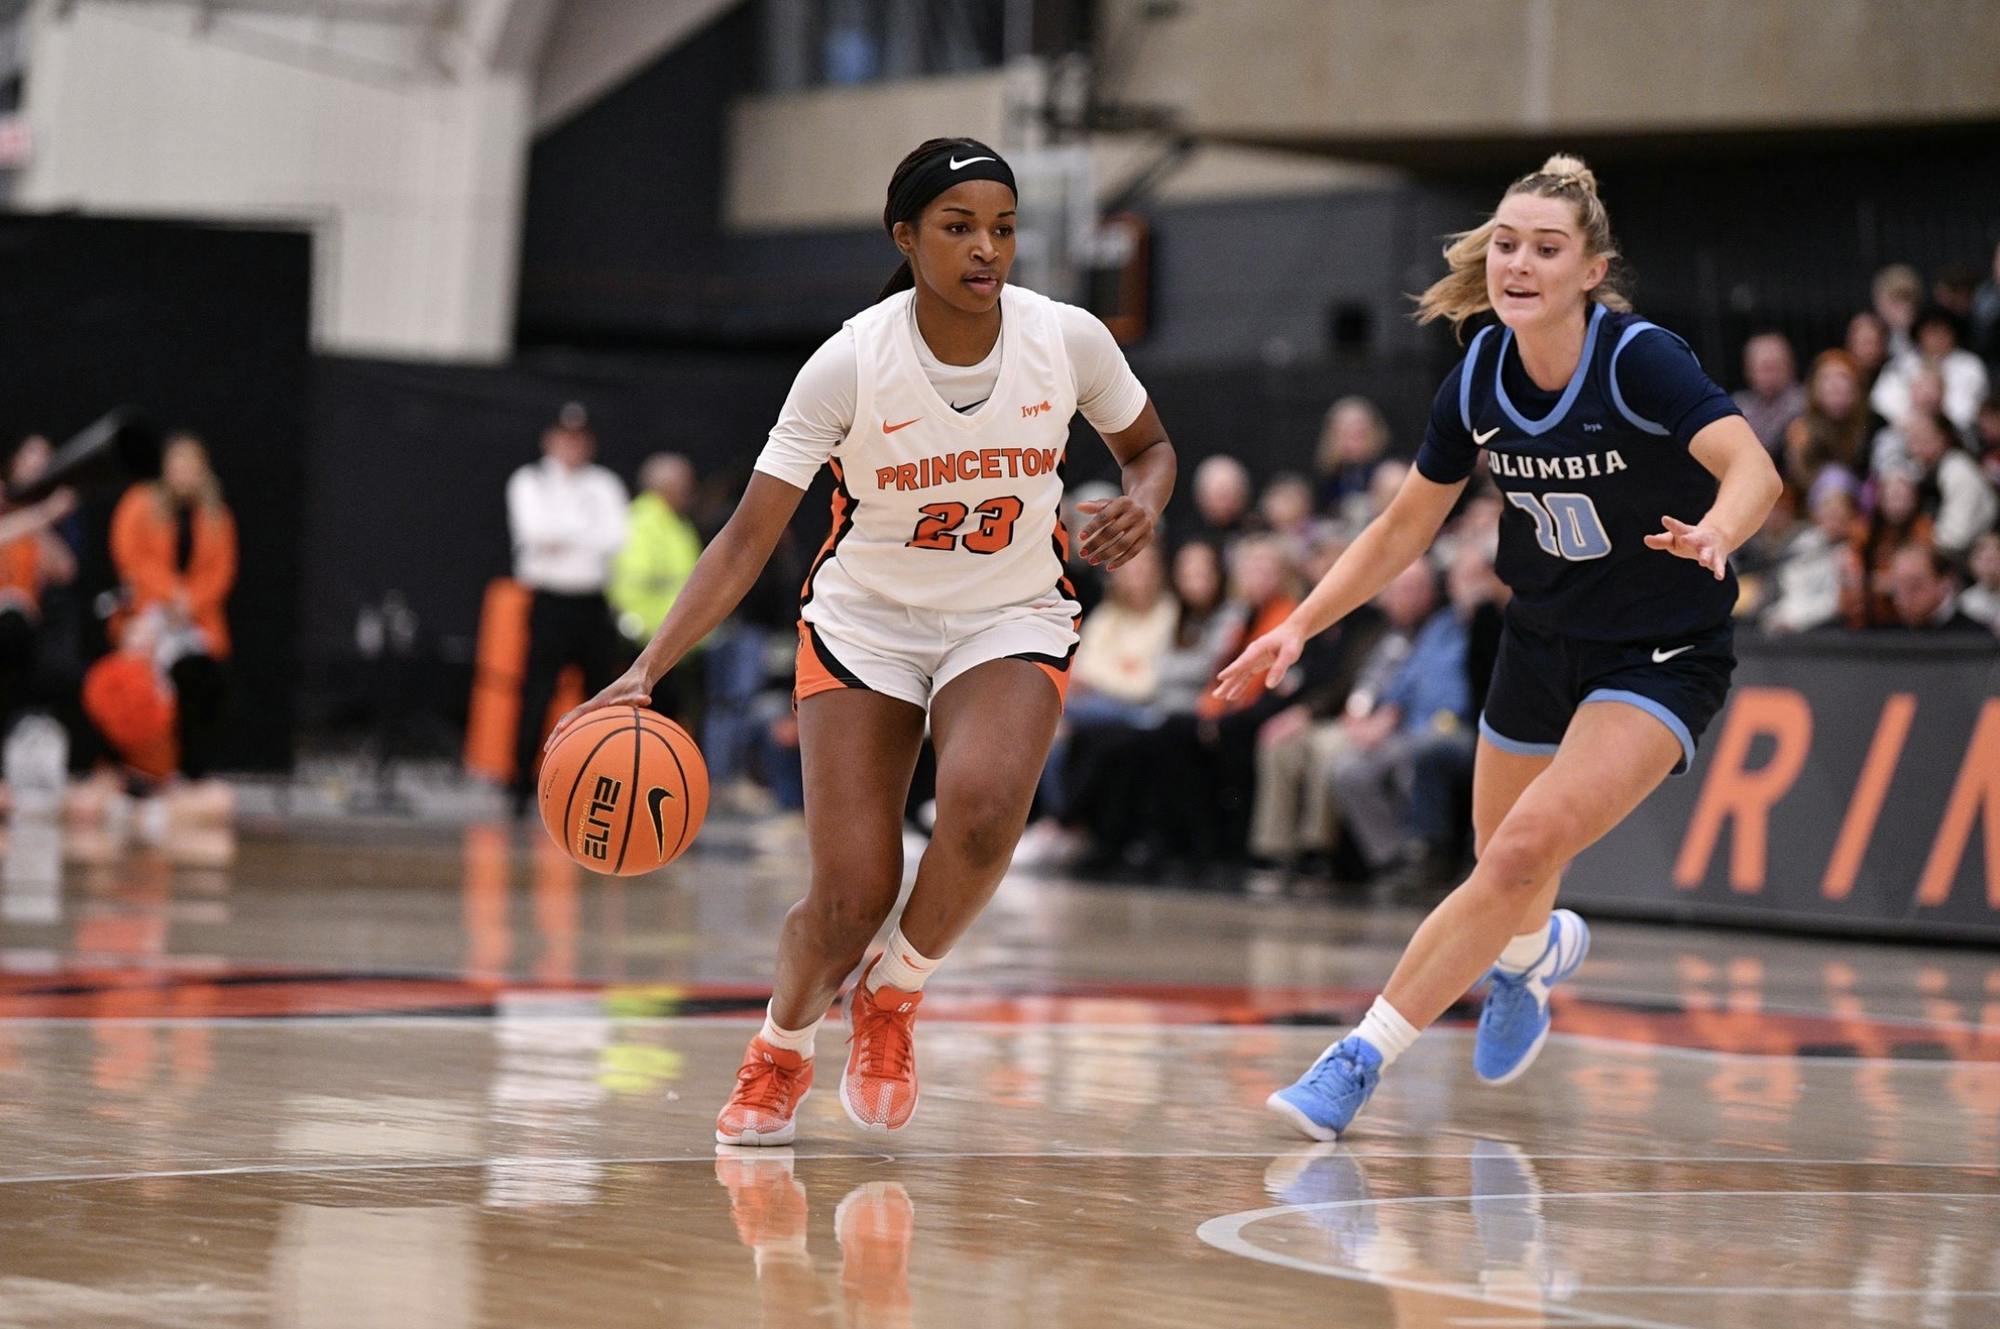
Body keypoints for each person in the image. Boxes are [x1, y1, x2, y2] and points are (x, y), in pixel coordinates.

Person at [549, 137, 1175, 1145]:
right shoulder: (848, 362)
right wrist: (645, 669)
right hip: (865, 625)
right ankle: (779, 1047)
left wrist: (1142, 502)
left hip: (1006, 612)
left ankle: (893, 994)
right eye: (959, 227)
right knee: (849, 895)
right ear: (905, 237)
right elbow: (748, 535)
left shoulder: (1066, 340)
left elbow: (1148, 448)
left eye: (1003, 229)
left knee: (978, 816)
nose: (987, 249)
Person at [1216, 155, 1781, 1139]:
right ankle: (1526, 963)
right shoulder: (1476, 374)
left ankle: (1356, 1060)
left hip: (1655, 653)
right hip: (1540, 635)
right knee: (1499, 867)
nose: (1518, 263)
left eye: (1545, 249)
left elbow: (1753, 467)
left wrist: (1718, 532)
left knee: (1518, 851)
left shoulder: (1636, 360)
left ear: (1589, 271)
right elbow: (1401, 530)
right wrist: (1300, 622)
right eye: (1506, 244)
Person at [505, 403, 629, 814]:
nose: (572, 446)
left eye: (579, 438)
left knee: (599, 696)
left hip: (593, 603)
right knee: (537, 692)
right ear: (550, 439)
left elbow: (616, 538)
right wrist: (583, 530)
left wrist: (565, 533)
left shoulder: (605, 484)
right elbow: (534, 531)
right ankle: (521, 783)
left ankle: (596, 782)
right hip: (550, 602)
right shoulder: (530, 480)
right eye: (565, 437)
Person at [109, 433, 238, 783]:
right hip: (150, 615)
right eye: (177, 466)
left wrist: (189, 601)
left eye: (191, 467)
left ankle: (190, 770)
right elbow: (130, 559)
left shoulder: (217, 517)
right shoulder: (139, 504)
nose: (183, 474)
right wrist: (171, 594)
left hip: (195, 620)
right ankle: (144, 767)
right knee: (143, 683)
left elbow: (221, 572)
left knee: (201, 679)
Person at [608, 452, 705, 724]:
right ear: (666, 486)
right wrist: (641, 631)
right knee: (645, 724)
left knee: (670, 721)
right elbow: (630, 584)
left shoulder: (676, 523)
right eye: (685, 483)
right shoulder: (640, 522)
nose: (690, 490)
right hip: (648, 644)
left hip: (673, 643)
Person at [1732, 331, 1806, 456]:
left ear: (1790, 366)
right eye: (1764, 367)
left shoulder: (1805, 402)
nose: (1771, 374)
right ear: (1748, 370)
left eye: (1776, 366)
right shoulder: (1739, 406)